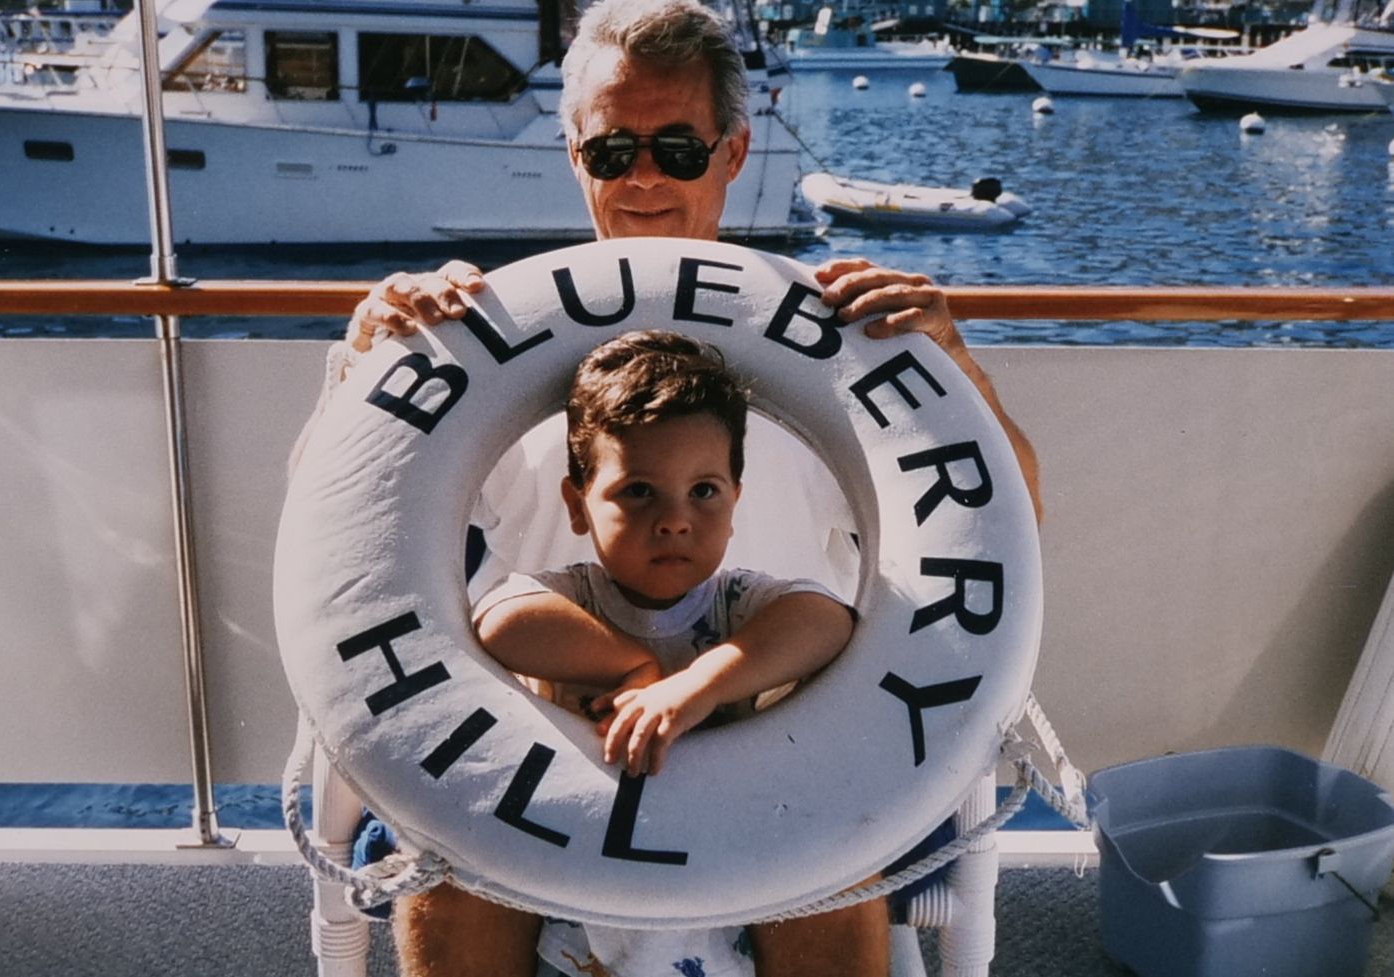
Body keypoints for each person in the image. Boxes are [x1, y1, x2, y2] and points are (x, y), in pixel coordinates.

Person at [317, 2, 1043, 974]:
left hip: (788, 742)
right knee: (445, 872)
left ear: (732, 153)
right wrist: (365, 361)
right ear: (575, 154)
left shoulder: (844, 344)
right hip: (547, 743)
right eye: (613, 149)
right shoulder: (482, 341)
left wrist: (952, 366)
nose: (645, 175)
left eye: (677, 148)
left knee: (828, 866)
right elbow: (342, 535)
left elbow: (1009, 525)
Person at [471, 330, 855, 977]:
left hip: (722, 865)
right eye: (639, 491)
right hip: (581, 867)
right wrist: (628, 665)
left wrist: (697, 685)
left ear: (735, 504)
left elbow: (825, 620)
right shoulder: (574, 595)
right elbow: (500, 620)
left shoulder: (739, 602)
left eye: (703, 491)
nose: (674, 519)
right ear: (577, 506)